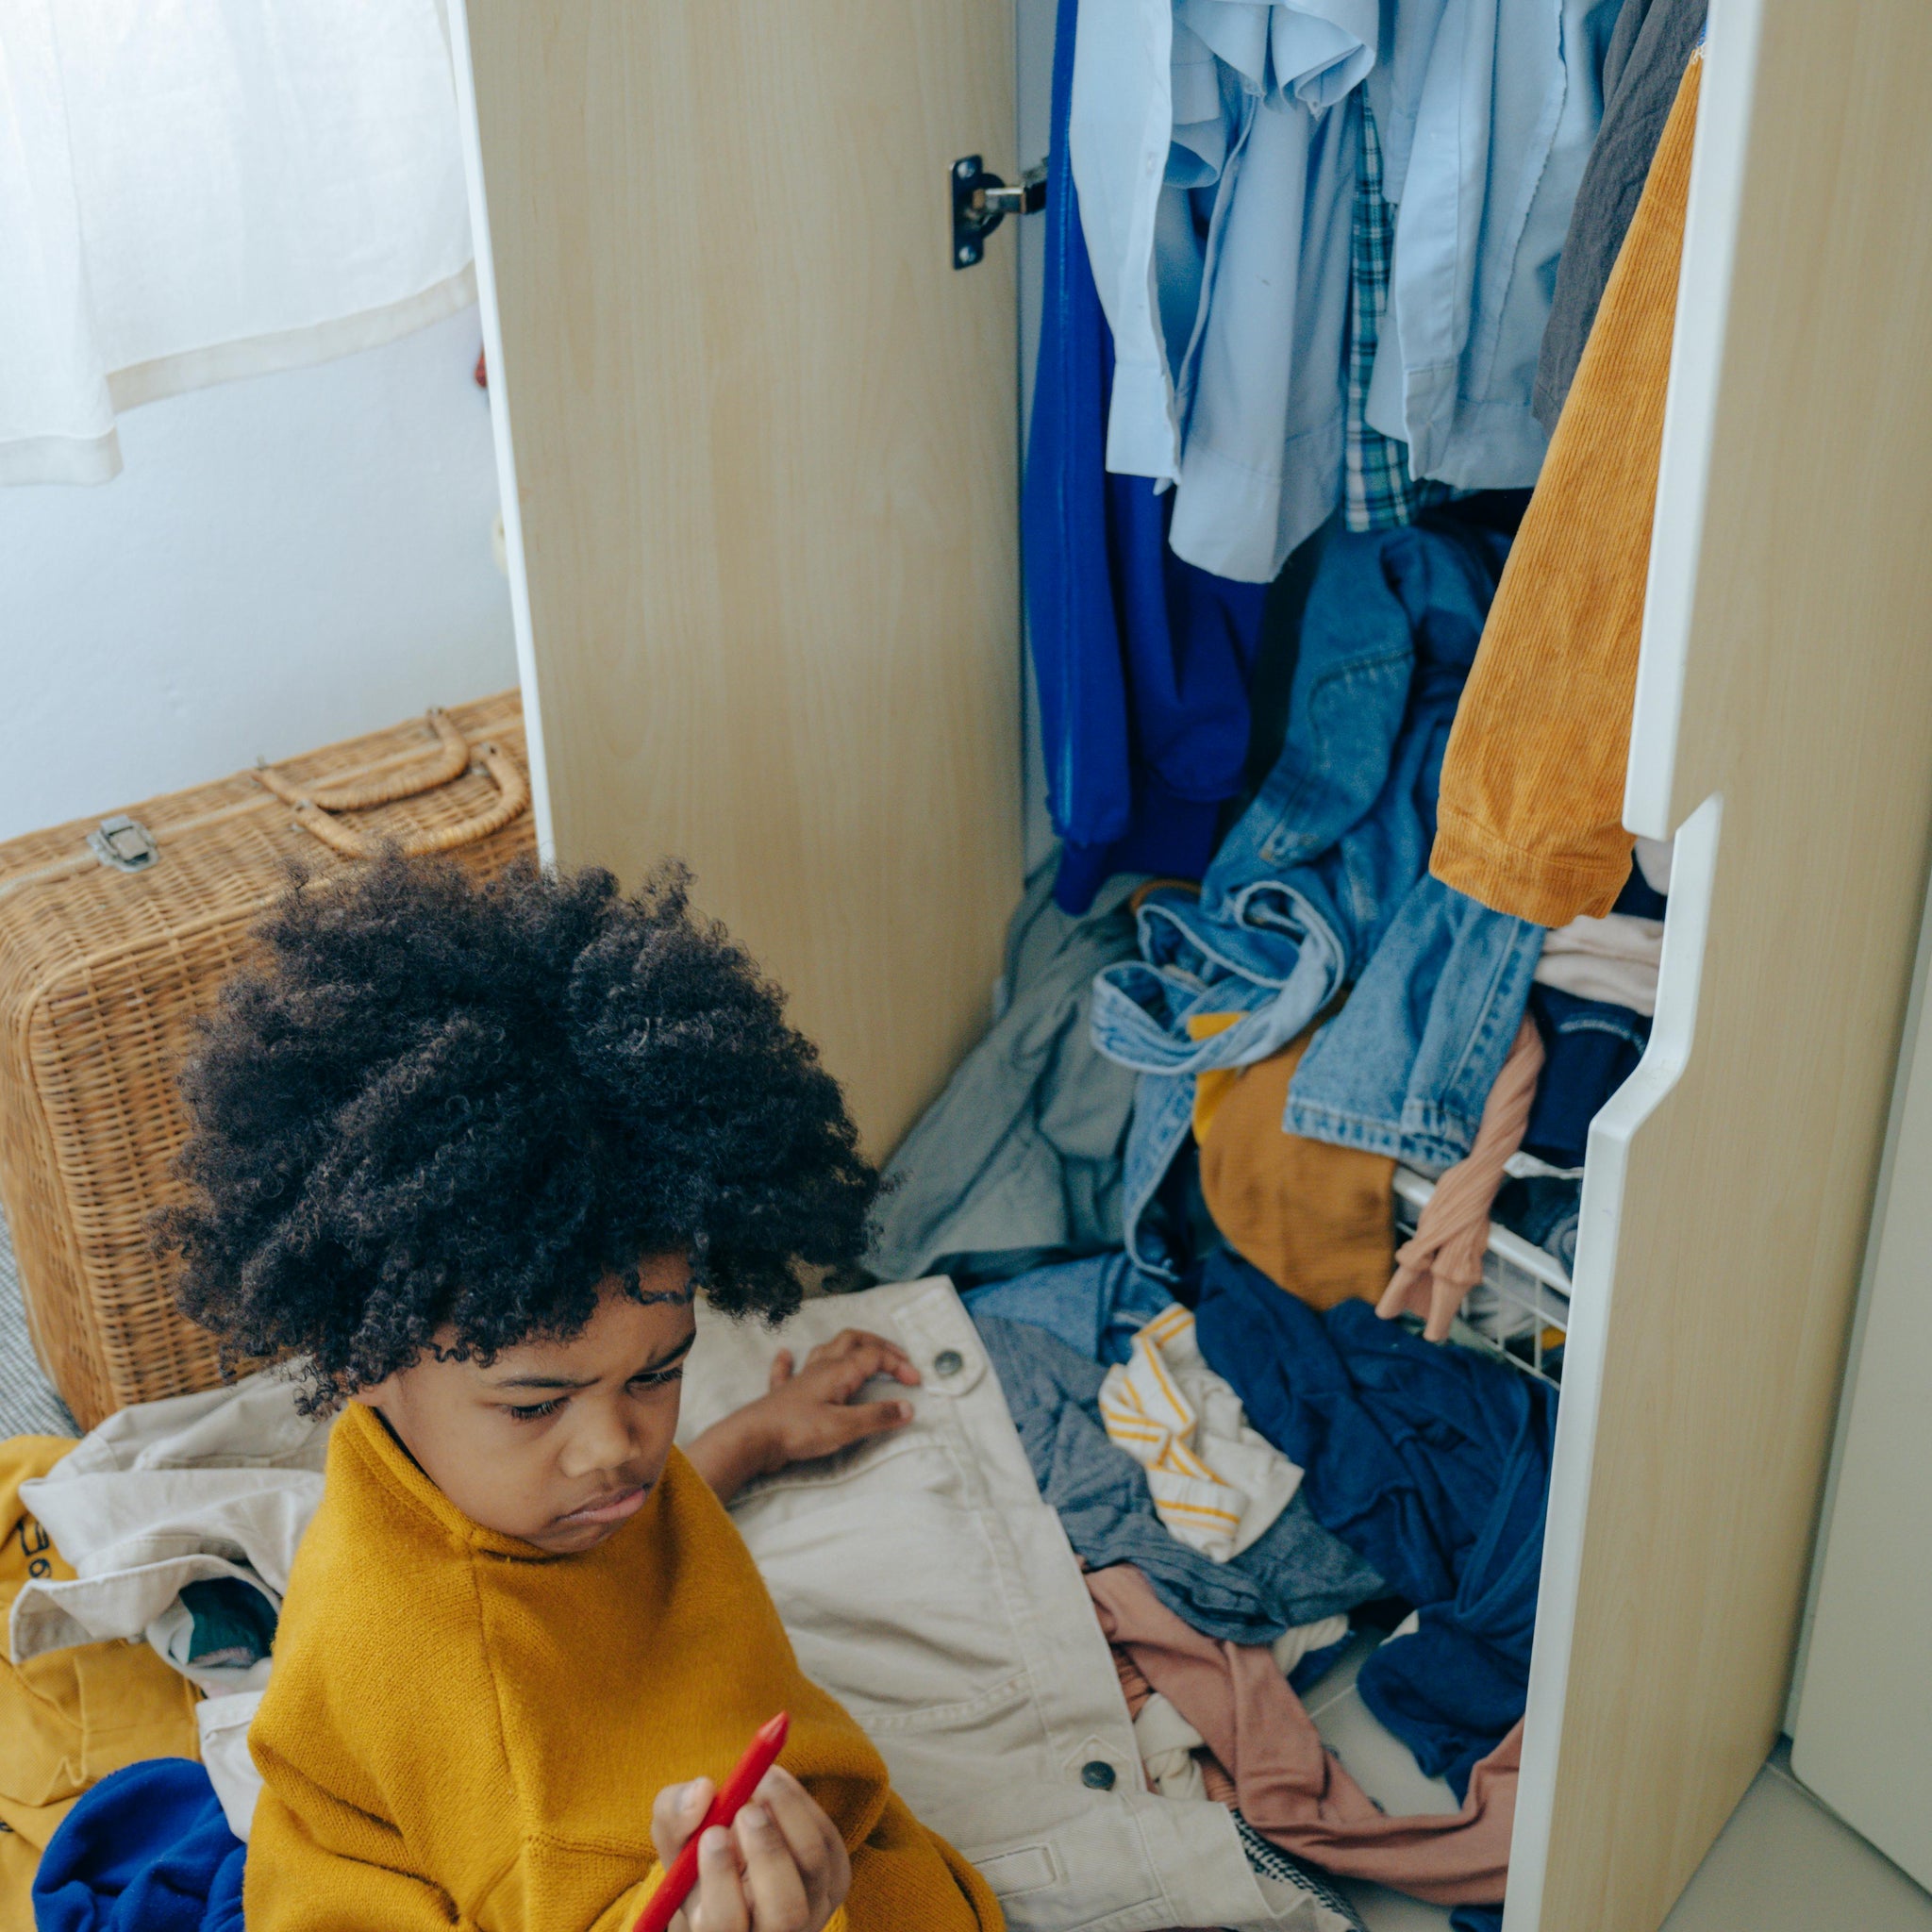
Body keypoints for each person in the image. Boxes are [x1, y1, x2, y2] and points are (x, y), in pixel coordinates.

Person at [161, 855, 1003, 1932]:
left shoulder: (484, 1472)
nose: (617, 1448)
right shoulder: (485, 1719)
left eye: (659, 1371)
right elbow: (568, 1885)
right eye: (534, 1403)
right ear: (360, 1358)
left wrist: (744, 1440)